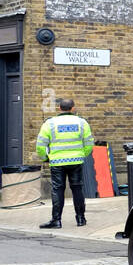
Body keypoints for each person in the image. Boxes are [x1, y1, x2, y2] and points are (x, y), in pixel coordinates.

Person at [35, 97, 94, 229]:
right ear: (73, 108)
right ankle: (81, 219)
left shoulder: (49, 124)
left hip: (57, 162)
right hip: (76, 161)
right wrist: (81, 154)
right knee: (77, 189)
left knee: (57, 190)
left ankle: (56, 220)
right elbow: (89, 143)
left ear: (59, 108)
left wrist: (45, 157)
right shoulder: (82, 122)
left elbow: (40, 145)